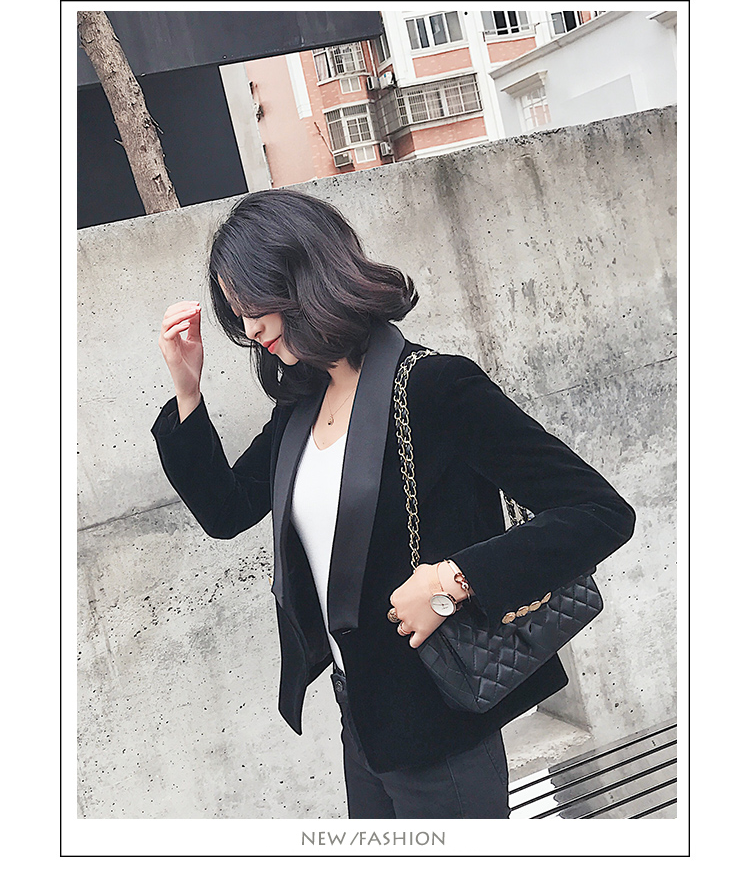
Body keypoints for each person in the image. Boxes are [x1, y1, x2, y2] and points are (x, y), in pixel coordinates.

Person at [152, 189, 635, 819]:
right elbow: (225, 512)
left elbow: (599, 512)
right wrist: (187, 389)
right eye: (237, 314)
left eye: (255, 307)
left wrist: (453, 580)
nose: (249, 331)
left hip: (443, 723)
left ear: (304, 279)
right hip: (362, 719)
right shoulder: (299, 408)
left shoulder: (436, 387)